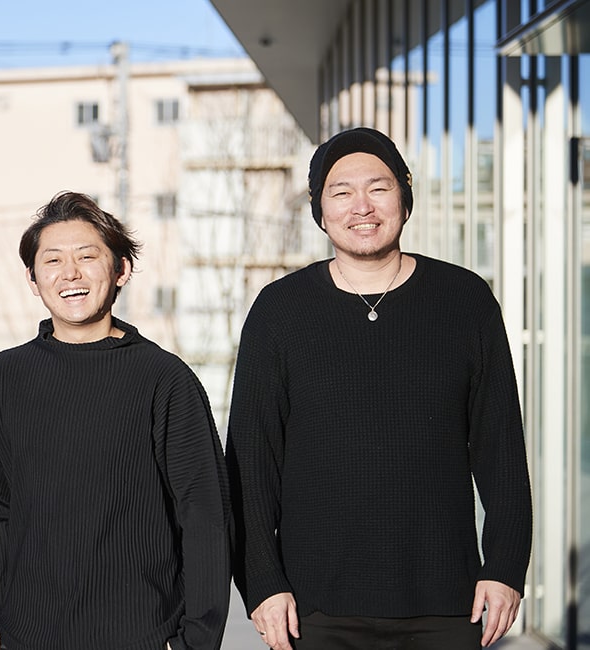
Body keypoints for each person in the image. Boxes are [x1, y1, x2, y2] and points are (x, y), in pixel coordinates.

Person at [226, 127, 532, 650]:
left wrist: (505, 565)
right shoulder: (280, 311)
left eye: (379, 188)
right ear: (321, 211)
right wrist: (261, 582)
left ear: (405, 200)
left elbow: (500, 447)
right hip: (314, 608)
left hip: (446, 603)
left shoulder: (465, 301)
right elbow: (251, 464)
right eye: (341, 192)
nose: (361, 207)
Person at [0, 191, 231, 650]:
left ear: (121, 269)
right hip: (28, 638)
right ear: (33, 279)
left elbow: (205, 515)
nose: (70, 273)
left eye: (87, 256)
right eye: (53, 260)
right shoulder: (4, 378)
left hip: (142, 637)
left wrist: (195, 640)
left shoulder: (164, 378)